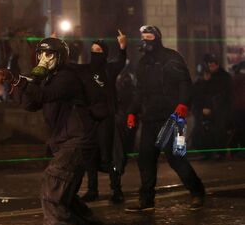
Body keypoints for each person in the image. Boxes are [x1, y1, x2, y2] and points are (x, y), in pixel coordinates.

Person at [19, 37, 108, 225]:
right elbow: (30, 104)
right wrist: (18, 85)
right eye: (40, 54)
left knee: (53, 183)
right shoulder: (48, 78)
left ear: (60, 57)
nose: (43, 59)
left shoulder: (67, 78)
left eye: (49, 55)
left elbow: (43, 95)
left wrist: (26, 82)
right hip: (65, 140)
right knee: (64, 192)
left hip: (78, 140)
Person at [125, 25, 205, 212]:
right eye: (143, 36)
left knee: (176, 158)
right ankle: (146, 201)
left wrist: (183, 104)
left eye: (149, 36)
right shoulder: (143, 63)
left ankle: (197, 191)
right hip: (150, 118)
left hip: (172, 117)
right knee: (145, 159)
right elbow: (140, 92)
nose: (145, 39)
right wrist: (132, 111)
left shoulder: (172, 57)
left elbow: (185, 83)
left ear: (157, 37)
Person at [78, 31, 127, 204]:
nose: (95, 53)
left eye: (98, 50)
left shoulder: (109, 69)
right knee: (90, 155)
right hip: (90, 119)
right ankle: (92, 190)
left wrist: (122, 46)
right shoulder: (85, 70)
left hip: (107, 118)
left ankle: (117, 190)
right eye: (92, 49)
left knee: (109, 155)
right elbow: (68, 67)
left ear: (104, 53)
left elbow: (121, 62)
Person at [197, 54, 232, 159]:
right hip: (209, 108)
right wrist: (204, 81)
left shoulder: (224, 76)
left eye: (212, 65)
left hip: (221, 109)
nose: (211, 68)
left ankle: (221, 153)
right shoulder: (208, 77)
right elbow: (202, 93)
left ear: (217, 65)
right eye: (209, 66)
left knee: (219, 129)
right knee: (205, 129)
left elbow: (225, 94)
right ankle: (207, 153)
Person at [229, 61, 245, 155]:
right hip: (242, 107)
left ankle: (234, 150)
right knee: (242, 129)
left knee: (237, 129)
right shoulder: (242, 78)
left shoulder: (233, 78)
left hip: (234, 108)